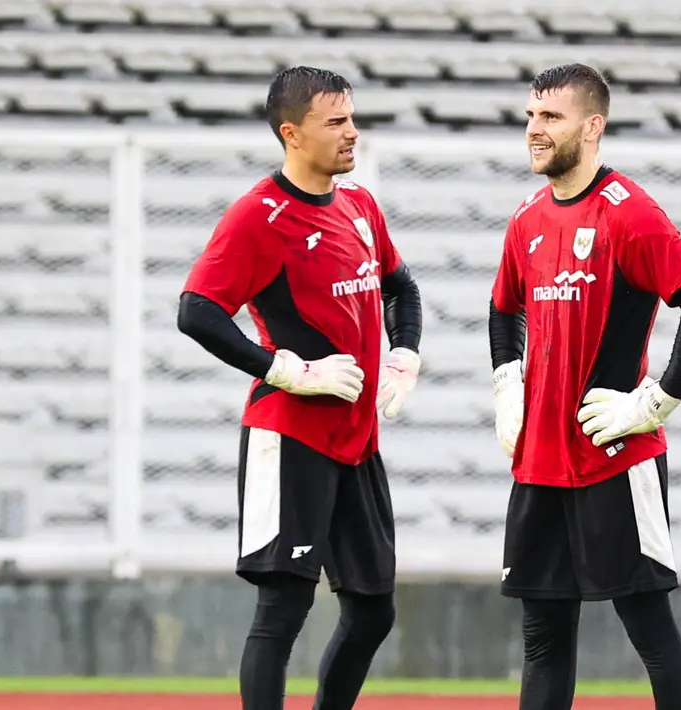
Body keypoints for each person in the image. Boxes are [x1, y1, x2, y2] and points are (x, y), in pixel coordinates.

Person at [176, 66, 422, 710]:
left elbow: (402, 287)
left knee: (372, 611)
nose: (352, 133)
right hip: (288, 436)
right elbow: (196, 311)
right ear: (291, 133)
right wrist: (286, 369)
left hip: (357, 441)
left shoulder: (360, 205)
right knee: (282, 607)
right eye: (335, 122)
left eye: (351, 118)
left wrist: (404, 355)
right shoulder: (259, 215)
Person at [488, 63, 681, 710]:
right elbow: (501, 306)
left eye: (551, 118)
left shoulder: (631, 214)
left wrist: (653, 404)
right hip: (538, 464)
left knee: (648, 629)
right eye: (531, 115)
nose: (534, 130)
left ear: (591, 127)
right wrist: (506, 385)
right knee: (542, 640)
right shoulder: (527, 218)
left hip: (612, 458)